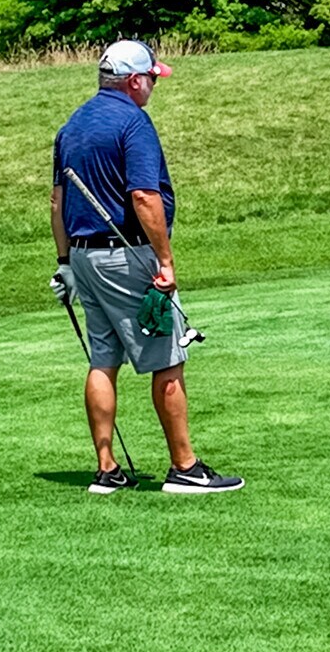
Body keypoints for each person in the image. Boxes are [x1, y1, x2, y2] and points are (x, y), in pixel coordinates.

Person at [50, 40, 243, 495]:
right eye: (152, 78)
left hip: (84, 256)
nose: (155, 85)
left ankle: (106, 469)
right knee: (168, 360)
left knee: (103, 359)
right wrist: (165, 260)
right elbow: (143, 196)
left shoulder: (72, 125)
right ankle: (185, 468)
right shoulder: (133, 122)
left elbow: (58, 203)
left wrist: (65, 265)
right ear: (134, 81)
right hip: (127, 257)